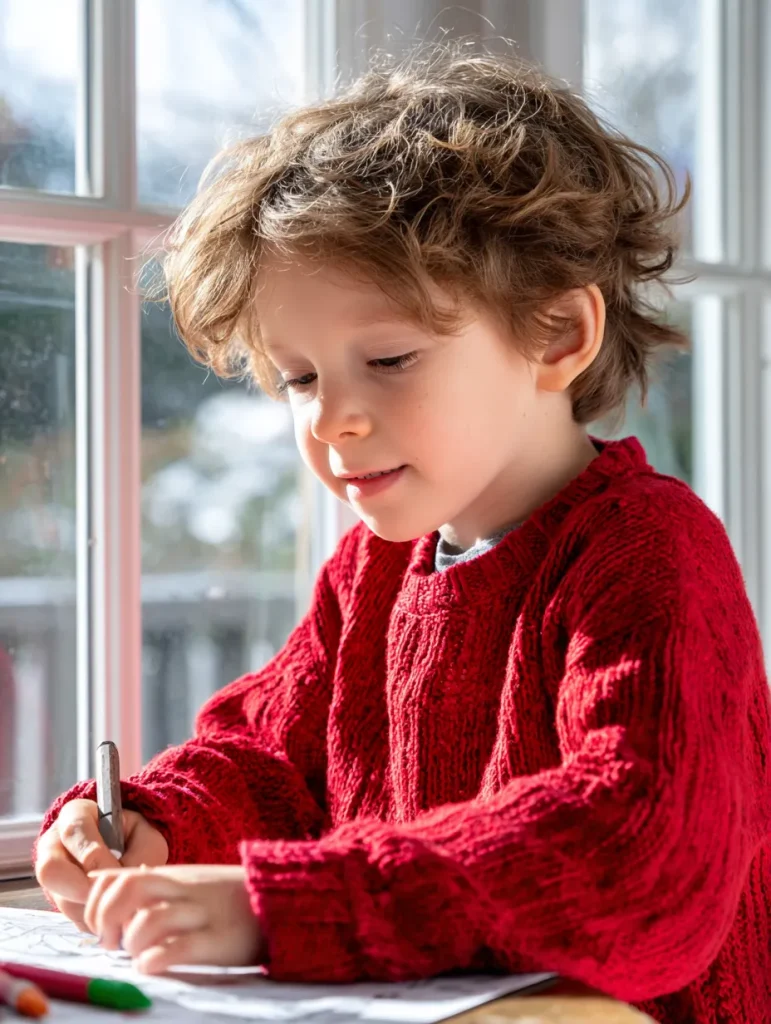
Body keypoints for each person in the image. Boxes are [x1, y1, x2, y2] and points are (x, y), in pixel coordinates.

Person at [34, 40, 771, 1024]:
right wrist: (150, 822)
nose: (330, 418)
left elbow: (637, 849)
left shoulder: (649, 547)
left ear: (559, 334)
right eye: (299, 376)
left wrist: (282, 908)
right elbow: (272, 762)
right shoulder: (376, 568)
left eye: (387, 358)